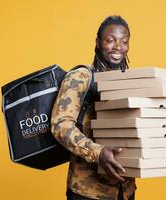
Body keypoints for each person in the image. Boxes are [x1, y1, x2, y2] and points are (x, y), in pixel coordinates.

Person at [51, 15, 136, 200]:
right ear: (98, 42)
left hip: (125, 190)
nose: (118, 47)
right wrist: (98, 153)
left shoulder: (130, 81)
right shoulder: (81, 77)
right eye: (110, 40)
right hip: (88, 191)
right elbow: (61, 126)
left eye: (124, 41)